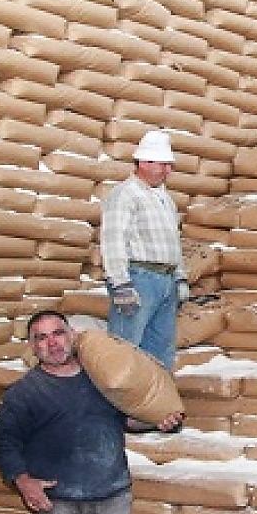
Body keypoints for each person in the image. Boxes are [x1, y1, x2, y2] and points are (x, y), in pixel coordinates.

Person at [0, 311, 181, 514]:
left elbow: (125, 420)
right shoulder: (25, 393)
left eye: (58, 333)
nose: (53, 343)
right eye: (42, 338)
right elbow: (4, 441)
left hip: (112, 495)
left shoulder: (102, 378)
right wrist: (23, 481)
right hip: (59, 500)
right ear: (33, 347)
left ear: (72, 336)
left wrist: (157, 421)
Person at [99, 129, 187, 369]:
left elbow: (173, 241)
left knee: (161, 350)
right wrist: (120, 283)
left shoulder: (164, 198)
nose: (168, 171)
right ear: (144, 162)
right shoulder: (125, 194)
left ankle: (157, 403)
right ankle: (119, 405)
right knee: (126, 347)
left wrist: (179, 277)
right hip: (139, 279)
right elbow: (113, 239)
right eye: (163, 165)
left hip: (165, 280)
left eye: (170, 165)